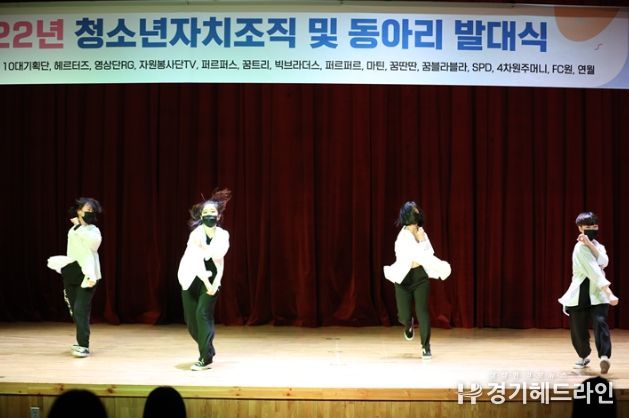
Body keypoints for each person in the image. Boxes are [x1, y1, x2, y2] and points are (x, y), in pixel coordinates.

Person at [383, 201, 451, 360]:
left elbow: (429, 255)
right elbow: (416, 254)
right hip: (403, 278)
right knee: (403, 316)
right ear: (408, 215)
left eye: (417, 210)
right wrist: (421, 241)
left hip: (420, 277)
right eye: (414, 211)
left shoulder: (422, 233)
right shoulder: (402, 237)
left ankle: (426, 346)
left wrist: (423, 239)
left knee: (422, 310)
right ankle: (408, 325)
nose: (417, 213)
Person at [558, 211, 619, 374]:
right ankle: (583, 356)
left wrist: (591, 245)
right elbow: (594, 271)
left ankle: (604, 356)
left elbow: (604, 262)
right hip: (580, 294)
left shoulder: (599, 246)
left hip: (597, 294)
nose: (592, 229)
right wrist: (609, 292)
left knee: (600, 322)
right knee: (578, 330)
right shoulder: (579, 248)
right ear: (580, 228)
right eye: (588, 227)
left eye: (595, 226)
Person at [177, 189, 231, 371]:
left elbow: (219, 255)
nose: (209, 215)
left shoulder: (223, 235)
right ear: (201, 216)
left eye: (212, 212)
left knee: (202, 313)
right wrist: (206, 281)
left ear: (219, 216)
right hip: (190, 277)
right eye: (206, 212)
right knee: (192, 323)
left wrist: (212, 284)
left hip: (212, 279)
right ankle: (208, 348)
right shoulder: (195, 235)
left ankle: (205, 358)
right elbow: (196, 260)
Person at [47, 197, 103, 358]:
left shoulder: (93, 230)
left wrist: (80, 226)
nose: (90, 212)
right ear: (79, 211)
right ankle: (80, 340)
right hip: (72, 271)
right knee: (75, 310)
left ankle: (83, 345)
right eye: (87, 209)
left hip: (88, 274)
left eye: (92, 210)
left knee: (80, 309)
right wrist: (77, 227)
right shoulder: (72, 231)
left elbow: (93, 245)